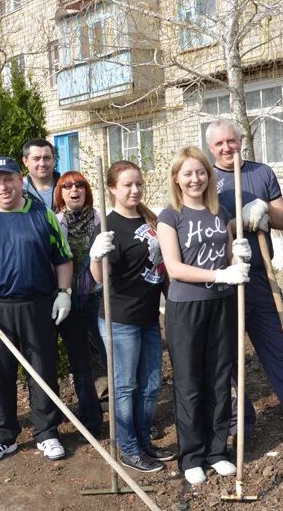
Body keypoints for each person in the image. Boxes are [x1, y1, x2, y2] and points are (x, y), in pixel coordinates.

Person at [0, 156, 74, 464]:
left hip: (37, 305)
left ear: (20, 180)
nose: (3, 186)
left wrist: (64, 292)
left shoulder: (41, 215)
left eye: (8, 179)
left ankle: (47, 433)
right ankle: (3, 436)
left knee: (42, 370)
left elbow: (62, 257)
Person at [156, 146, 251, 485]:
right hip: (187, 307)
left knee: (219, 378)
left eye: (200, 172)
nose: (195, 179)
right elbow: (175, 267)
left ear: (208, 177)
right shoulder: (171, 215)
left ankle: (216, 451)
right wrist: (219, 276)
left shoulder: (219, 210)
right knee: (189, 382)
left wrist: (237, 257)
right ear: (176, 179)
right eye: (188, 173)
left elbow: (226, 257)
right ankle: (192, 455)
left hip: (222, 304)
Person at [206, 118, 283, 434]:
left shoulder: (261, 173)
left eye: (230, 141)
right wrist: (233, 227)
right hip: (227, 280)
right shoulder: (204, 179)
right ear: (211, 148)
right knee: (228, 355)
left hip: (262, 277)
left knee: (281, 345)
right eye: (219, 144)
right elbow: (200, 229)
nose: (226, 147)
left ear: (240, 141)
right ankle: (240, 421)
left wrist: (263, 209)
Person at [89, 160, 172, 474]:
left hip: (149, 316)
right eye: (127, 185)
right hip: (120, 318)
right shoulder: (107, 226)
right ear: (112, 189)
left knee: (151, 384)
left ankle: (143, 440)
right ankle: (129, 448)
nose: (135, 189)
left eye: (138, 183)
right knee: (125, 386)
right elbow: (100, 277)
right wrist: (95, 255)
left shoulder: (150, 217)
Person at [53, 170, 104, 435]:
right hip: (69, 302)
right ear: (60, 193)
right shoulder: (55, 221)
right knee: (80, 361)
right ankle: (91, 418)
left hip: (98, 298)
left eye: (80, 185)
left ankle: (124, 414)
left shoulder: (100, 219)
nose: (75, 190)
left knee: (109, 357)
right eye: (68, 186)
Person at [21, 138, 60, 210]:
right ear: (25, 161)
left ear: (54, 160)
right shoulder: (18, 191)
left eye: (47, 158)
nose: (42, 164)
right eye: (36, 158)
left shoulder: (68, 187)